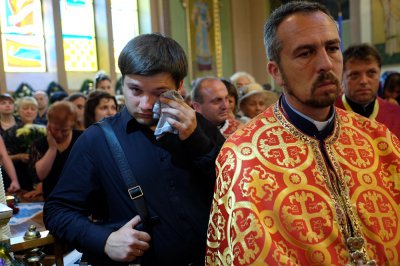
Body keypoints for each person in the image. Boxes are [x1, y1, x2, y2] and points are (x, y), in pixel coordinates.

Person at [206, 2, 400, 265]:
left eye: (332, 48)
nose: (325, 64)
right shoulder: (242, 157)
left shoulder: (379, 140)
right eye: (305, 53)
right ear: (276, 72)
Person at [44, 33, 225, 265]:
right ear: (123, 83)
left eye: (159, 93)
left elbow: (231, 192)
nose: (146, 104)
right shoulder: (97, 140)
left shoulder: (202, 129)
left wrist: (196, 140)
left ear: (179, 86)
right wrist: (105, 240)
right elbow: (57, 211)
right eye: (136, 90)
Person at [336, 43, 400, 138]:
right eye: (354, 75)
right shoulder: (327, 115)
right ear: (342, 77)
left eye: (371, 73)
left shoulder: (396, 114)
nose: (364, 81)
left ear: (379, 74)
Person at [26, 101, 81, 199]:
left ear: (72, 126)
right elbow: (40, 175)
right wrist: (52, 148)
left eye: (64, 131)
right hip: (53, 199)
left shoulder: (82, 139)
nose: (59, 135)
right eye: (55, 129)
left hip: (80, 197)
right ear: (48, 123)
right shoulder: (39, 145)